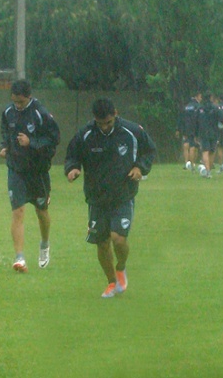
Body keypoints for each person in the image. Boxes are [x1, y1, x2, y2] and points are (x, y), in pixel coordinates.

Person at [65, 98, 156, 298]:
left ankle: (121, 267)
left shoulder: (132, 131)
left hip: (123, 194)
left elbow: (149, 150)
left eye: (108, 122)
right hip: (96, 197)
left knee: (119, 239)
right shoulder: (86, 134)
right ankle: (111, 282)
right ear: (95, 120)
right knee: (103, 242)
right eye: (101, 124)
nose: (105, 127)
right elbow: (72, 154)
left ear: (115, 113)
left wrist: (139, 167)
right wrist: (72, 169)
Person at [0, 79, 60, 272]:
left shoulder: (40, 113)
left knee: (41, 211)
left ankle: (44, 244)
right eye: (14, 102)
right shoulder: (8, 112)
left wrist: (31, 142)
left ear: (29, 97)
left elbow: (54, 139)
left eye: (21, 102)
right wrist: (5, 147)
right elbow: (5, 132)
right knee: (17, 212)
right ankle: (20, 258)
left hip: (38, 171)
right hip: (16, 169)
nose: (17, 106)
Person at [196, 92, 223, 178]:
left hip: (203, 132)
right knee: (212, 152)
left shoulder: (200, 108)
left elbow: (195, 122)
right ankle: (209, 171)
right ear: (211, 97)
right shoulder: (215, 108)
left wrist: (196, 133)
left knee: (205, 151)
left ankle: (207, 172)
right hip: (213, 132)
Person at [182, 92, 202, 171]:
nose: (201, 99)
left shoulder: (187, 106)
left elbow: (183, 118)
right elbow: (198, 119)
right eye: (200, 97)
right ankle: (192, 164)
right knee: (193, 146)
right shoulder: (197, 106)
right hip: (194, 128)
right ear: (197, 97)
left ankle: (187, 163)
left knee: (186, 145)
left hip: (186, 128)